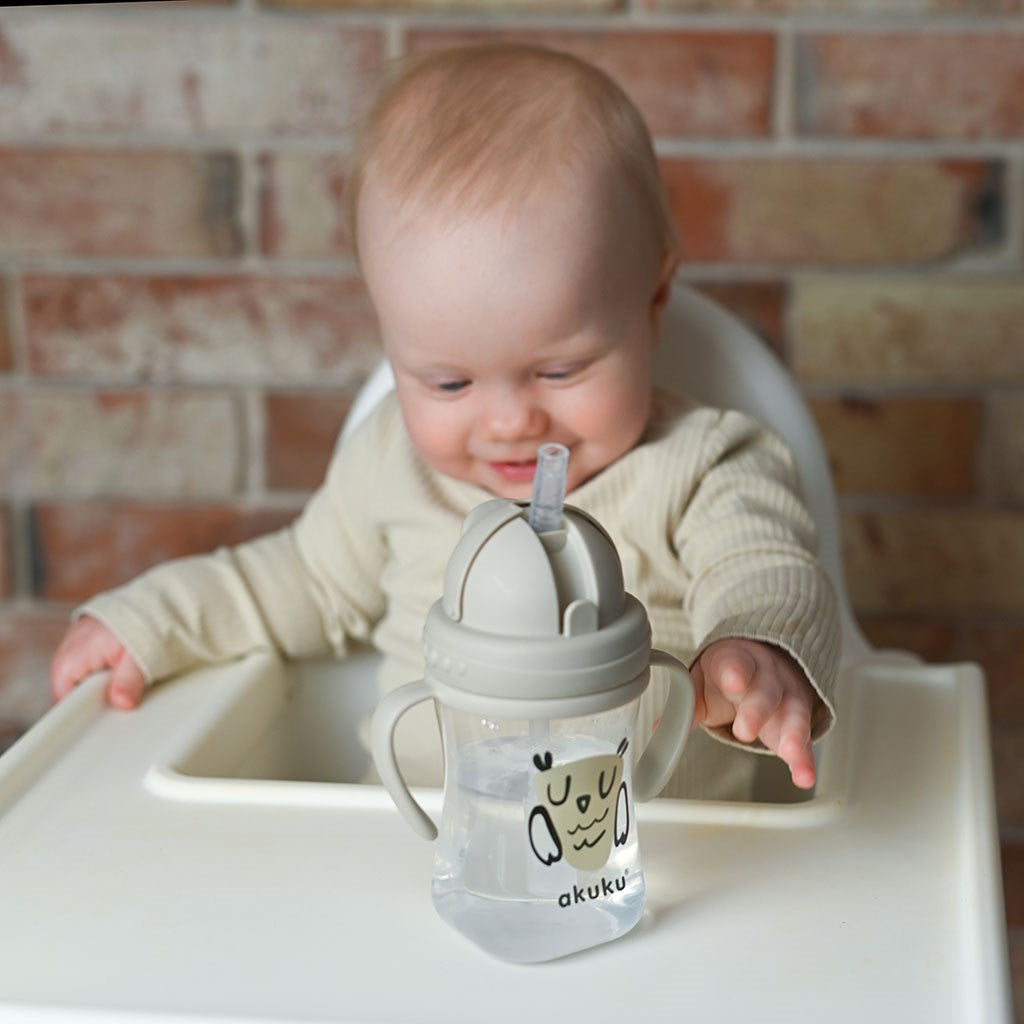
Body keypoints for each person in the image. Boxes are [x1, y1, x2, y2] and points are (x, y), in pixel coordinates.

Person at [50, 42, 838, 801]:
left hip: (664, 875)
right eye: (450, 381)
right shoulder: (393, 463)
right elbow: (296, 582)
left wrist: (756, 651)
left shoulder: (702, 466)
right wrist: (149, 621)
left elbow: (765, 566)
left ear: (653, 303)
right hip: (424, 855)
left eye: (559, 370)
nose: (509, 420)